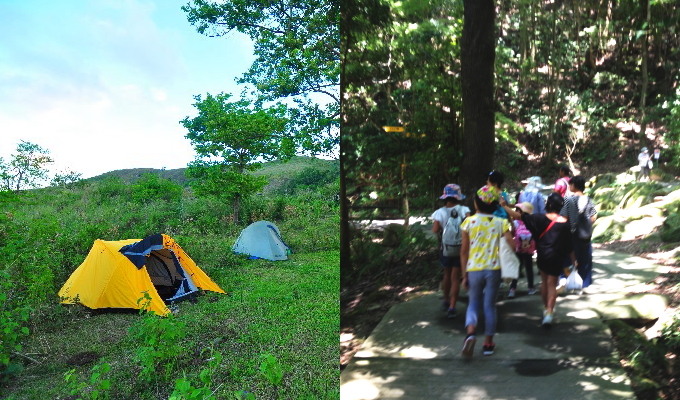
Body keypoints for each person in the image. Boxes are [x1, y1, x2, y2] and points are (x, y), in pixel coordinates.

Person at [501, 193, 576, 327]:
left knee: (544, 283)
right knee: (552, 284)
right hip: (556, 257)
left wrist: (504, 206)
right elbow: (570, 246)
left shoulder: (538, 218)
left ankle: (545, 308)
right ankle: (549, 312)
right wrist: (573, 260)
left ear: (549, 205)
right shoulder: (565, 224)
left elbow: (518, 216)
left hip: (543, 255)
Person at [460, 185, 513, 358]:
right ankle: (488, 344)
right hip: (493, 269)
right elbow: (512, 245)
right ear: (494, 205)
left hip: (474, 268)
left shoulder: (469, 222)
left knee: (473, 303)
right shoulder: (500, 222)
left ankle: (470, 334)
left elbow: (464, 251)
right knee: (489, 305)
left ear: (476, 204)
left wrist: (464, 274)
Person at [431, 184, 470, 318]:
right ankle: (452, 307)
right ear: (458, 197)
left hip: (446, 248)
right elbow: (470, 226)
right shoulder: (465, 210)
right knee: (455, 278)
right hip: (462, 248)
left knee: (446, 275)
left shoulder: (439, 212)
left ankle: (446, 300)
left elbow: (435, 230)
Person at [560, 175, 597, 289]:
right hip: (585, 234)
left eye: (570, 184)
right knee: (585, 258)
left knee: (568, 258)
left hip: (571, 234)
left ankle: (566, 281)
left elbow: (564, 218)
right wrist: (585, 225)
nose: (569, 186)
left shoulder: (567, 200)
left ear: (574, 185)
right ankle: (585, 284)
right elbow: (594, 216)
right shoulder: (588, 199)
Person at [507, 202, 536, 298]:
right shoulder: (532, 221)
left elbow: (512, 234)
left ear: (521, 212)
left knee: (517, 269)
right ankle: (531, 288)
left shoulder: (515, 222)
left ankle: (512, 289)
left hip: (519, 249)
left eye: (517, 210)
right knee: (529, 268)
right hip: (529, 250)